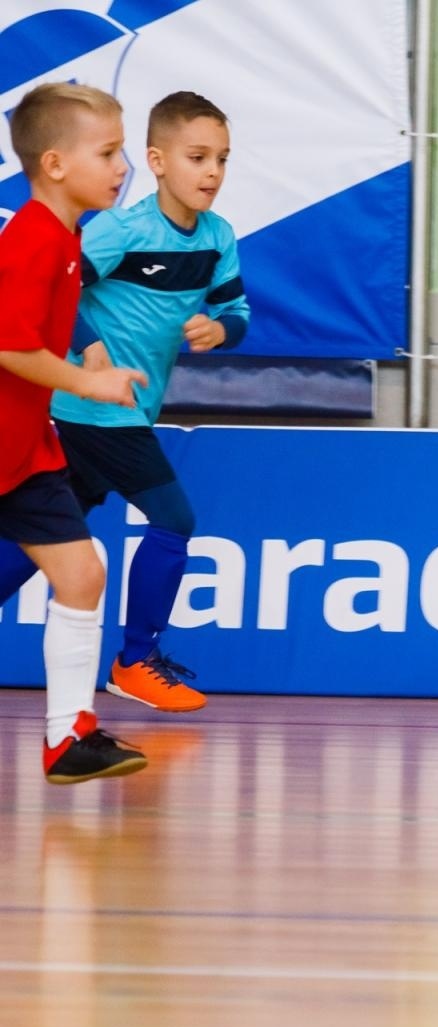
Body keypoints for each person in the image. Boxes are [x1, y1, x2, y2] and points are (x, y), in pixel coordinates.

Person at [0, 90, 250, 713]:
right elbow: (58, 292)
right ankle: (135, 659)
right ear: (158, 161)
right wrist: (89, 355)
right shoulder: (119, 229)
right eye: (197, 157)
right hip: (95, 412)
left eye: (222, 159)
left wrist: (221, 330)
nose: (212, 172)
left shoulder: (218, 238)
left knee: (45, 540)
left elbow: (235, 309)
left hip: (124, 408)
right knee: (173, 519)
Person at [0, 82, 150, 782]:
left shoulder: (65, 236)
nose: (122, 168)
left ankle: (69, 738)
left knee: (82, 570)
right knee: (81, 569)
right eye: (110, 152)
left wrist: (86, 348)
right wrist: (88, 381)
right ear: (55, 163)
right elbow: (8, 345)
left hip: (25, 452)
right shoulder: (31, 236)